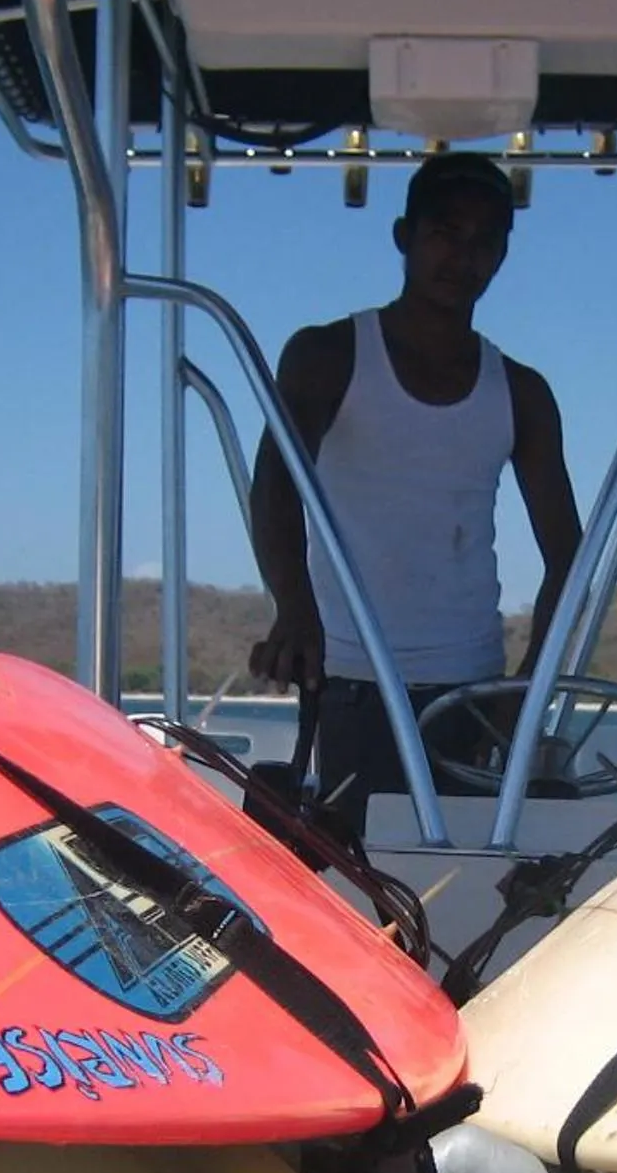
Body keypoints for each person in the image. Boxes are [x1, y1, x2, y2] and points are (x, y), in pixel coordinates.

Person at [245, 150, 583, 823]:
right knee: (362, 896)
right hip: (351, 683)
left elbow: (568, 558)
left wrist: (525, 690)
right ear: (404, 237)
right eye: (444, 234)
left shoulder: (523, 392)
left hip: (474, 694)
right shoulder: (326, 355)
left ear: (504, 255)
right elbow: (275, 488)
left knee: (469, 898)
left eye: (486, 241)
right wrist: (294, 608)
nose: (464, 257)